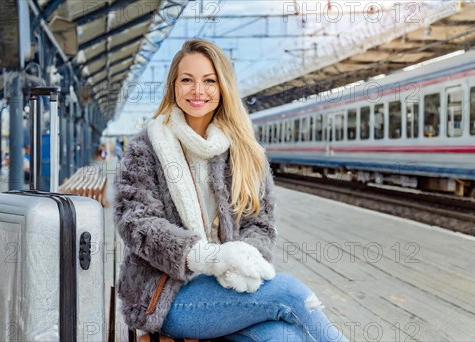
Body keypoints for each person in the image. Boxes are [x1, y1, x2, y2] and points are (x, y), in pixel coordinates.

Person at [113, 39, 347, 341]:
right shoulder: (145, 149)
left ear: (223, 87)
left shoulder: (244, 151)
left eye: (209, 81)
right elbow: (136, 222)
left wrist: (241, 259)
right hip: (165, 297)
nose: (198, 90)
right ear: (173, 86)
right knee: (291, 294)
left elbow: (260, 224)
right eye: (187, 80)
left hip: (230, 287)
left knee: (283, 338)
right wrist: (209, 257)